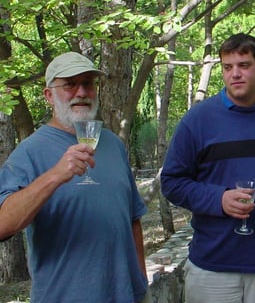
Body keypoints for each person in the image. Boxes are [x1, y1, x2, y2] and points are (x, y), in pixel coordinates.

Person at [161, 33, 255, 303]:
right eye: (228, 67)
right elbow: (172, 182)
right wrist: (218, 199)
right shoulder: (198, 120)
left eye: (243, 65)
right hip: (213, 264)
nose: (235, 74)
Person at [0, 52, 151, 303]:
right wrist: (56, 175)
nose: (81, 92)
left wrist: (142, 284)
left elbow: (133, 219)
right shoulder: (29, 152)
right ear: (49, 95)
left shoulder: (112, 144)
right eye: (70, 84)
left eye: (88, 83)